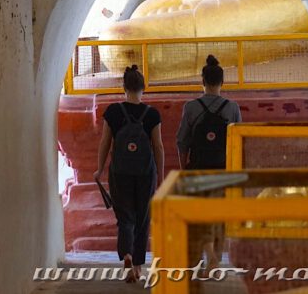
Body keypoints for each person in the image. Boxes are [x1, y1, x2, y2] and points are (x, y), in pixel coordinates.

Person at [94, 65, 164, 283]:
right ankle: (138, 266)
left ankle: (126, 254)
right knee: (142, 218)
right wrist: (160, 177)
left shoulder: (113, 112)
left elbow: (105, 142)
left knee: (125, 217)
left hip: (120, 172)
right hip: (145, 173)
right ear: (144, 87)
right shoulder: (152, 114)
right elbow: (158, 147)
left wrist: (99, 168)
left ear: (123, 87)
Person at [175, 55, 242, 272]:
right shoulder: (232, 108)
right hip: (224, 169)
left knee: (200, 214)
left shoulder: (191, 107)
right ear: (222, 82)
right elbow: (241, 141)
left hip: (198, 168)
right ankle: (217, 258)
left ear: (202, 82)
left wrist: (185, 168)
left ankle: (209, 254)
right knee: (220, 216)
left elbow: (182, 141)